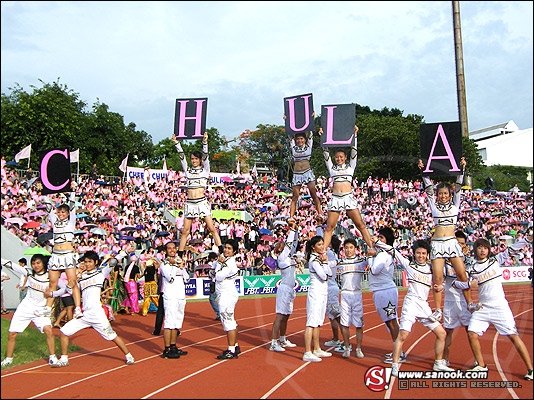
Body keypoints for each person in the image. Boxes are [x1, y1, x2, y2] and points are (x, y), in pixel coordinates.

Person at [418, 157, 480, 322]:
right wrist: (423, 171)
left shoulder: (455, 204)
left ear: (450, 194)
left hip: (452, 242)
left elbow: (459, 187)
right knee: (437, 279)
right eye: (441, 193)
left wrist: (462, 169)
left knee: (462, 275)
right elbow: (428, 188)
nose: (443, 196)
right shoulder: (434, 205)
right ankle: (438, 310)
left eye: (445, 193)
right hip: (437, 244)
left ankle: (470, 303)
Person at [50, 251, 134, 367]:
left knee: (112, 336)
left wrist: (124, 252)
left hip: (97, 314)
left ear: (95, 262)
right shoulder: (81, 277)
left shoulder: (100, 273)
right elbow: (74, 291)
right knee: (64, 332)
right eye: (85, 262)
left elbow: (113, 263)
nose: (87, 264)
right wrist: (66, 287)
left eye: (90, 262)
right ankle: (64, 359)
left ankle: (128, 355)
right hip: (85, 315)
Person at [466, 236, 533, 380]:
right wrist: (468, 285)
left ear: (489, 250)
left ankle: (530, 369)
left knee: (513, 337)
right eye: (479, 247)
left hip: (500, 306)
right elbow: (462, 283)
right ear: (475, 250)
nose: (482, 250)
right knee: (471, 333)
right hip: (483, 307)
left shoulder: (495, 261)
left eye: (485, 248)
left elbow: (512, 249)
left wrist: (527, 240)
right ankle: (482, 366)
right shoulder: (472, 268)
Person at [385, 239, 455, 377]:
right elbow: (394, 252)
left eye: (423, 253)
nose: (421, 256)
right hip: (410, 304)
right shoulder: (409, 265)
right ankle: (394, 365)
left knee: (442, 334)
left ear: (427, 254)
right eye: (418, 253)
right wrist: (377, 242)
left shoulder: (431, 269)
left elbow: (443, 281)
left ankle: (438, 363)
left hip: (424, 307)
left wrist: (441, 287)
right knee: (403, 335)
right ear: (414, 253)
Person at [319, 125, 374, 253]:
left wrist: (355, 135)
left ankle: (372, 248)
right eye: (337, 157)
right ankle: (323, 253)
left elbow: (354, 151)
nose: (339, 159)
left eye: (341, 157)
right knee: (330, 227)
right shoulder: (332, 168)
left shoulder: (350, 167)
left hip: (348, 197)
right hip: (336, 199)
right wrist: (322, 136)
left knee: (360, 225)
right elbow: (325, 152)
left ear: (345, 157)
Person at [1, 255, 61, 367]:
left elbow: (64, 288)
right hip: (25, 307)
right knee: (12, 333)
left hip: (40, 310)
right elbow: (12, 265)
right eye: (33, 263)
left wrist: (53, 296)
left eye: (38, 263)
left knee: (48, 330)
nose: (36, 266)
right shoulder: (28, 272)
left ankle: (52, 358)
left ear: (43, 263)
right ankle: (8, 359)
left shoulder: (50, 276)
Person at [172, 131, 223, 260]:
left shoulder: (205, 170)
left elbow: (206, 156)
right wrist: (177, 143)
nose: (193, 161)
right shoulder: (187, 170)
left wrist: (205, 142)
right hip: (190, 203)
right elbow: (181, 157)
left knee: (211, 227)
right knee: (185, 231)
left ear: (200, 160)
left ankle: (221, 250)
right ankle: (180, 254)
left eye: (196, 159)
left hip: (202, 202)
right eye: (192, 159)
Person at [41, 187, 82, 321]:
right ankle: (47, 309)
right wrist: (45, 193)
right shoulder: (55, 220)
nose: (61, 214)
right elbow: (48, 207)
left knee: (72, 281)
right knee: (52, 282)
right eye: (60, 212)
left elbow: (71, 206)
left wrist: (72, 191)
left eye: (63, 212)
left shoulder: (71, 221)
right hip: (56, 255)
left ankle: (77, 308)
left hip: (68, 255)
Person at [368, 227, 403, 363]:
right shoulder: (386, 254)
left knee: (392, 321)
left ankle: (399, 352)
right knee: (390, 321)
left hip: (384, 290)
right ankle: (397, 349)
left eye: (381, 238)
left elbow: (375, 270)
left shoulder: (383, 255)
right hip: (384, 290)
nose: (379, 240)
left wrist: (370, 257)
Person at [442, 230, 476, 366]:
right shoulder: (445, 261)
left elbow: (472, 281)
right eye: (457, 243)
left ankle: (477, 359)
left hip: (465, 301)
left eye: (462, 243)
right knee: (448, 331)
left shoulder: (469, 262)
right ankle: (444, 359)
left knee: (471, 331)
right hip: (450, 300)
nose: (460, 246)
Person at [283, 114, 323, 221]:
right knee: (295, 196)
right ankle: (291, 217)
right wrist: (287, 121)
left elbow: (310, 133)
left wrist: (312, 118)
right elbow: (289, 135)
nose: (299, 140)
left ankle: (320, 213)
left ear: (304, 139)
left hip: (307, 172)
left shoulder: (309, 145)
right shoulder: (294, 147)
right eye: (298, 139)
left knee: (313, 193)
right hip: (296, 174)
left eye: (301, 139)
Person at [269, 219, 299, 352]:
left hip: (290, 290)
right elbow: (289, 244)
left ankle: (282, 339)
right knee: (280, 315)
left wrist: (296, 231)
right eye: (280, 245)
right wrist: (292, 230)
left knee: (286, 315)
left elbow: (294, 244)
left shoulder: (290, 256)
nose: (283, 246)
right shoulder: (282, 257)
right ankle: (273, 342)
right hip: (284, 288)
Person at [335, 238, 368, 358]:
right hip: (345, 294)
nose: (349, 250)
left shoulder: (362, 261)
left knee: (359, 324)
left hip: (357, 294)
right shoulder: (341, 262)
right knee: (345, 323)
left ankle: (358, 348)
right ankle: (347, 347)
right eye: (346, 248)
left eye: (351, 247)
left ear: (356, 249)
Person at [302, 235, 332, 362]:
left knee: (318, 322)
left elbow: (329, 274)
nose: (321, 247)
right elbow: (324, 276)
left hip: (322, 293)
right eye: (319, 245)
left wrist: (325, 263)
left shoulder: (320, 259)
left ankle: (317, 348)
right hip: (316, 293)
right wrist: (325, 263)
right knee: (311, 323)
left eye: (322, 244)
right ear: (313, 247)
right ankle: (307, 352)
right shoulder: (314, 261)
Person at [210, 239, 241, 359]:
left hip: (227, 293)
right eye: (225, 247)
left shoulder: (230, 263)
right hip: (223, 293)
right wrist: (218, 264)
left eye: (229, 249)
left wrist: (219, 265)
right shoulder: (223, 261)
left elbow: (218, 276)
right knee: (229, 320)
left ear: (234, 252)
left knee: (228, 321)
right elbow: (211, 273)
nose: (226, 250)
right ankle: (235, 345)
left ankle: (231, 350)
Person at [315, 216, 342, 350]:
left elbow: (322, 238)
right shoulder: (332, 255)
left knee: (336, 315)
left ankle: (342, 339)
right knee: (332, 315)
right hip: (330, 287)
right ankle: (336, 338)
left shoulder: (330, 254)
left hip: (330, 287)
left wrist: (319, 227)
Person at [159, 241, 190, 359]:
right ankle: (166, 349)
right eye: (169, 248)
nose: (172, 250)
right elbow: (170, 277)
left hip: (180, 296)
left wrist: (181, 267)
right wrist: (175, 266)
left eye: (174, 248)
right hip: (170, 296)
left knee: (177, 322)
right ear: (166, 251)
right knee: (169, 323)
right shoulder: (164, 264)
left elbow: (187, 278)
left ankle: (173, 346)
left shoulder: (179, 262)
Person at [207, 252, 221, 320]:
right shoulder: (218, 262)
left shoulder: (213, 264)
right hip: (219, 282)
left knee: (212, 299)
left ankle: (219, 313)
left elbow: (212, 274)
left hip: (215, 282)